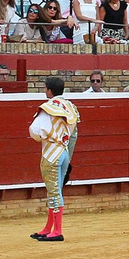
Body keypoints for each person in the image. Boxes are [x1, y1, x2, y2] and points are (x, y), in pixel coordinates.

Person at [28, 75, 80, 242]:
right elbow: (74, 133)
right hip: (64, 151)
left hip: (51, 152)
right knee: (56, 190)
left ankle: (57, 230)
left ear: (49, 90)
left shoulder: (48, 107)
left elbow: (35, 131)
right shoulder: (70, 106)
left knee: (53, 191)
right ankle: (48, 228)